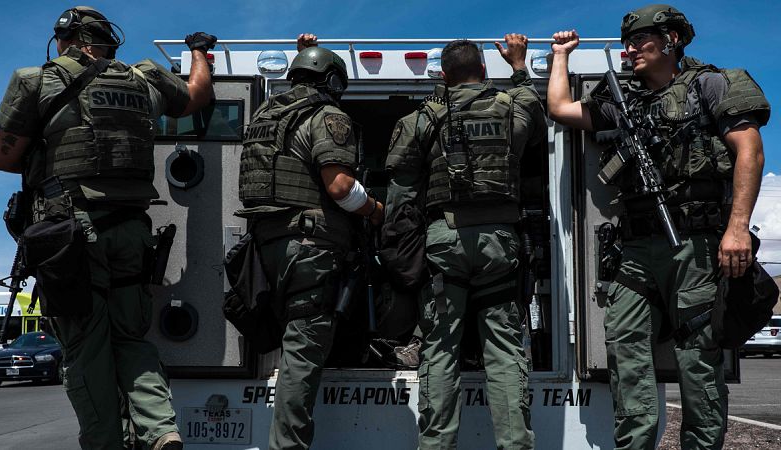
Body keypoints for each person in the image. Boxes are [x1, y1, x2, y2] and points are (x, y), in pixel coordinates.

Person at [0, 6, 216, 449]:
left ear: (69, 40)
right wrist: (197, 51)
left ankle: (103, 442)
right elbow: (197, 95)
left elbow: (4, 158)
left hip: (71, 235)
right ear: (107, 42)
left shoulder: (36, 80)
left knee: (86, 350)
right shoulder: (144, 80)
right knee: (131, 338)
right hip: (133, 230)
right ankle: (160, 430)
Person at [548, 5, 768, 449]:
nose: (630, 50)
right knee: (625, 344)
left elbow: (751, 152)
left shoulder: (710, 84)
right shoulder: (623, 101)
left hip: (696, 243)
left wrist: (738, 228)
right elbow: (559, 108)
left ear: (673, 40)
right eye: (627, 43)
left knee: (698, 355)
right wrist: (560, 54)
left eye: (642, 41)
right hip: (636, 248)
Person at [384, 34, 546, 450]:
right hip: (499, 243)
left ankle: (436, 445)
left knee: (439, 350)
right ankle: (515, 444)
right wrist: (519, 66)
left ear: (443, 74)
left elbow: (401, 194)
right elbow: (531, 101)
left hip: (445, 241)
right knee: (505, 351)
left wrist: (398, 249)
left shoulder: (420, 119)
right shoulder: (515, 107)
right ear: (484, 70)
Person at [236, 34, 383, 450]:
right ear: (331, 81)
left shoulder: (266, 113)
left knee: (291, 344)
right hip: (310, 248)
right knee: (302, 354)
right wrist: (375, 211)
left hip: (267, 247)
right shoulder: (325, 115)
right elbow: (340, 187)